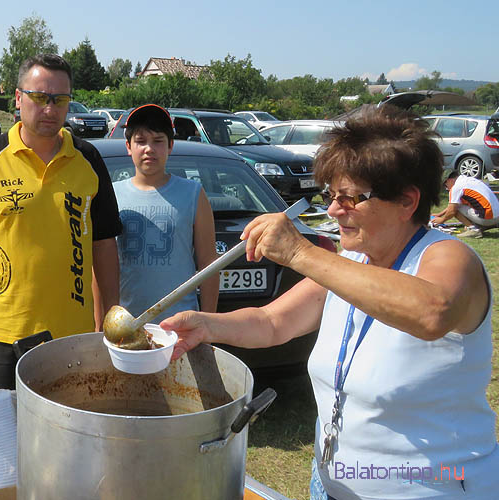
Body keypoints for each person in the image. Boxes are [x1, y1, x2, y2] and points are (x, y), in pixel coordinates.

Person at [160, 107, 499, 499]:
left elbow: (432, 312)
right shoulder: (351, 263)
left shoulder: (448, 257)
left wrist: (301, 253)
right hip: (332, 484)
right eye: (332, 195)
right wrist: (206, 325)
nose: (335, 210)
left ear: (407, 201)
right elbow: (273, 322)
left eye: (353, 198)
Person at [0, 53, 122, 390]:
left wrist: (110, 315)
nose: (50, 110)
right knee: (6, 439)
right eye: (39, 98)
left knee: (69, 437)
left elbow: (104, 244)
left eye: (60, 99)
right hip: (5, 335)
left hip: (74, 335)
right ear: (18, 98)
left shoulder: (89, 160)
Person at [113, 104, 218, 323]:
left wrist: (207, 324)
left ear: (170, 145)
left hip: (180, 325)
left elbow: (209, 263)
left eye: (158, 141)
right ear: (128, 146)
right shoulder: (112, 194)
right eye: (140, 141)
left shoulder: (193, 193)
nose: (149, 149)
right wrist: (100, 324)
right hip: (127, 326)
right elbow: (101, 269)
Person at [431, 170, 499, 238]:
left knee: (455, 210)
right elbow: (457, 204)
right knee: (458, 206)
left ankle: (473, 230)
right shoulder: (469, 180)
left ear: (450, 180)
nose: (446, 188)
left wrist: (441, 220)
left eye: (445, 185)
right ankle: (489, 224)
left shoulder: (456, 187)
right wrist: (439, 214)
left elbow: (452, 211)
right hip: (496, 216)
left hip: (489, 217)